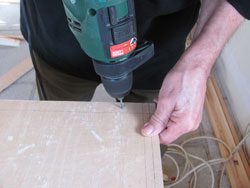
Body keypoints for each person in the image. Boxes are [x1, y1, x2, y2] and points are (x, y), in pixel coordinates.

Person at [21, 0, 250, 145]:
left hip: (160, 44)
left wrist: (199, 63)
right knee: (58, 132)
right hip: (54, 36)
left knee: (146, 138)